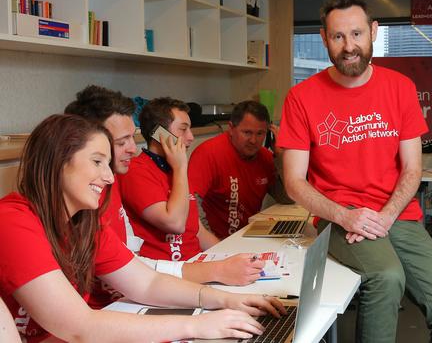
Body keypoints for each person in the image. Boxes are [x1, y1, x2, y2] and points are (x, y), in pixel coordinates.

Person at [278, 0, 432, 343]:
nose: (348, 46)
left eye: (356, 34)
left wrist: (388, 214)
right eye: (338, 36)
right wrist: (345, 216)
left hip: (398, 215)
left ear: (374, 31)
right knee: (386, 276)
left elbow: (412, 169)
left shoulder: (400, 88)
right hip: (341, 217)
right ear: (324, 38)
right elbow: (293, 181)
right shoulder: (302, 97)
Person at [0, 114, 284, 342]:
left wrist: (228, 300)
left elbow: (147, 283)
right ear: (58, 162)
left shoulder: (84, 222)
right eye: (97, 162)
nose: (109, 177)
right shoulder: (13, 222)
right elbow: (79, 326)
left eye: (108, 164)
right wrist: (196, 325)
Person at [65, 86, 266, 309]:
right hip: (125, 299)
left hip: (146, 287)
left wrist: (228, 260)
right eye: (122, 142)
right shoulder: (130, 176)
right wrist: (181, 166)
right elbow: (175, 225)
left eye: (133, 138)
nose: (133, 148)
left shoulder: (108, 188)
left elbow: (188, 231)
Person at [119, 98, 264, 279]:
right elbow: (175, 224)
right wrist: (180, 168)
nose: (190, 137)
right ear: (159, 134)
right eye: (183, 129)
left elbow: (196, 230)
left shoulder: (175, 169)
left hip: (196, 265)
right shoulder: (136, 171)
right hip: (169, 277)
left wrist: (230, 256)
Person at [189, 100, 293, 240]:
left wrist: (281, 157)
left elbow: (287, 199)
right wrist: (212, 244)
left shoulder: (266, 157)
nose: (254, 140)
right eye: (247, 132)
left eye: (260, 133)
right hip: (215, 240)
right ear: (231, 129)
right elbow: (191, 206)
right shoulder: (208, 153)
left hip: (246, 236)